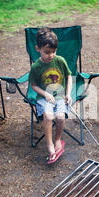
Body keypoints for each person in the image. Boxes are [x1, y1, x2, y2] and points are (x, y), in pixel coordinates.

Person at [29, 28, 72, 164]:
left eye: (53, 51)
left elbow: (68, 76)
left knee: (60, 117)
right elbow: (33, 85)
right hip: (43, 98)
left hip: (59, 97)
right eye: (47, 52)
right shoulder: (36, 66)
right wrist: (45, 94)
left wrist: (68, 94)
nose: (51, 55)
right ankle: (49, 144)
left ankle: (58, 139)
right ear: (38, 49)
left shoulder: (60, 61)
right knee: (48, 116)